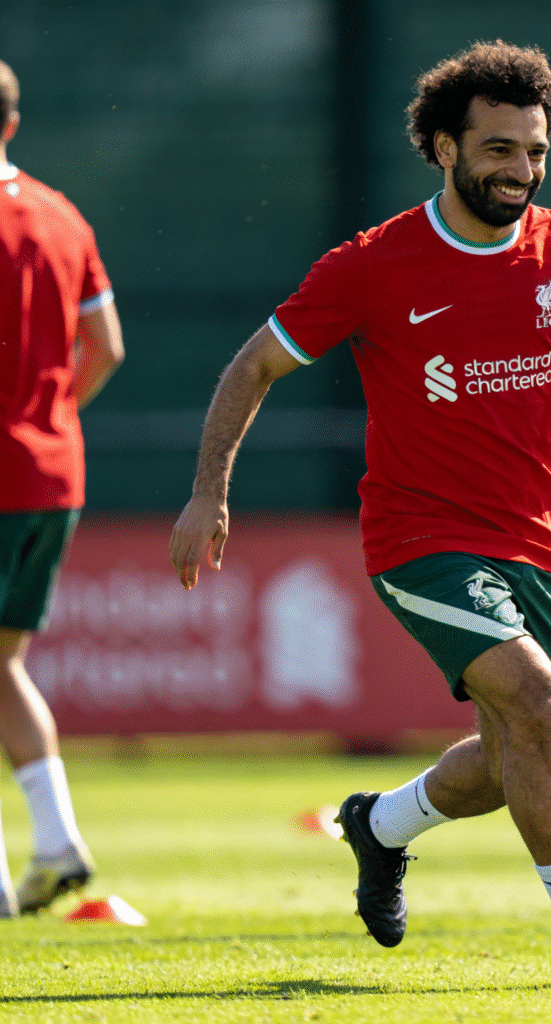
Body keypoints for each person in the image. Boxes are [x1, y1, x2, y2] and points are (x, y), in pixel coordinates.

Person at [169, 41, 551, 986]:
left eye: (535, 152)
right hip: (420, 541)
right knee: (538, 705)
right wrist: (210, 488)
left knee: (512, 762)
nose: (522, 172)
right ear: (444, 147)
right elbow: (254, 364)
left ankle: (379, 825)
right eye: (499, 150)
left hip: (539, 541)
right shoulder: (373, 264)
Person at [0, 60, 124, 916]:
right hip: (53, 474)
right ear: (11, 122)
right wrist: (46, 415)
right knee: (4, 664)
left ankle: (44, 848)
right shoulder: (60, 213)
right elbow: (107, 346)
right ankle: (45, 846)